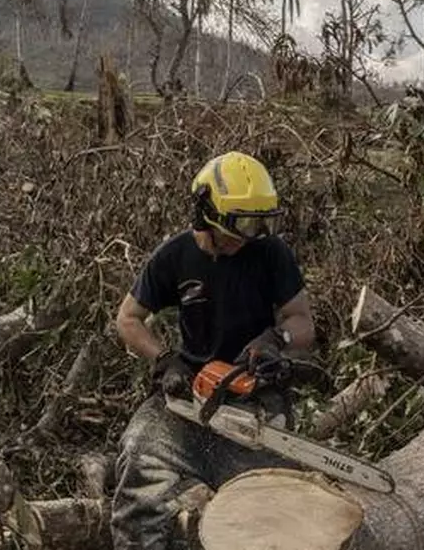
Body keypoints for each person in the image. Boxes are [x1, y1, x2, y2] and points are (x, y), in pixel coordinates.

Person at [110, 151, 319, 550]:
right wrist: (163, 359)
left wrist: (276, 339)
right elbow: (128, 319)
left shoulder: (270, 253)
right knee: (139, 462)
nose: (251, 233)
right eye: (242, 222)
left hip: (255, 390)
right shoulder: (174, 256)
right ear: (207, 210)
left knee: (269, 504)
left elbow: (302, 322)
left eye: (261, 222)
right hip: (189, 393)